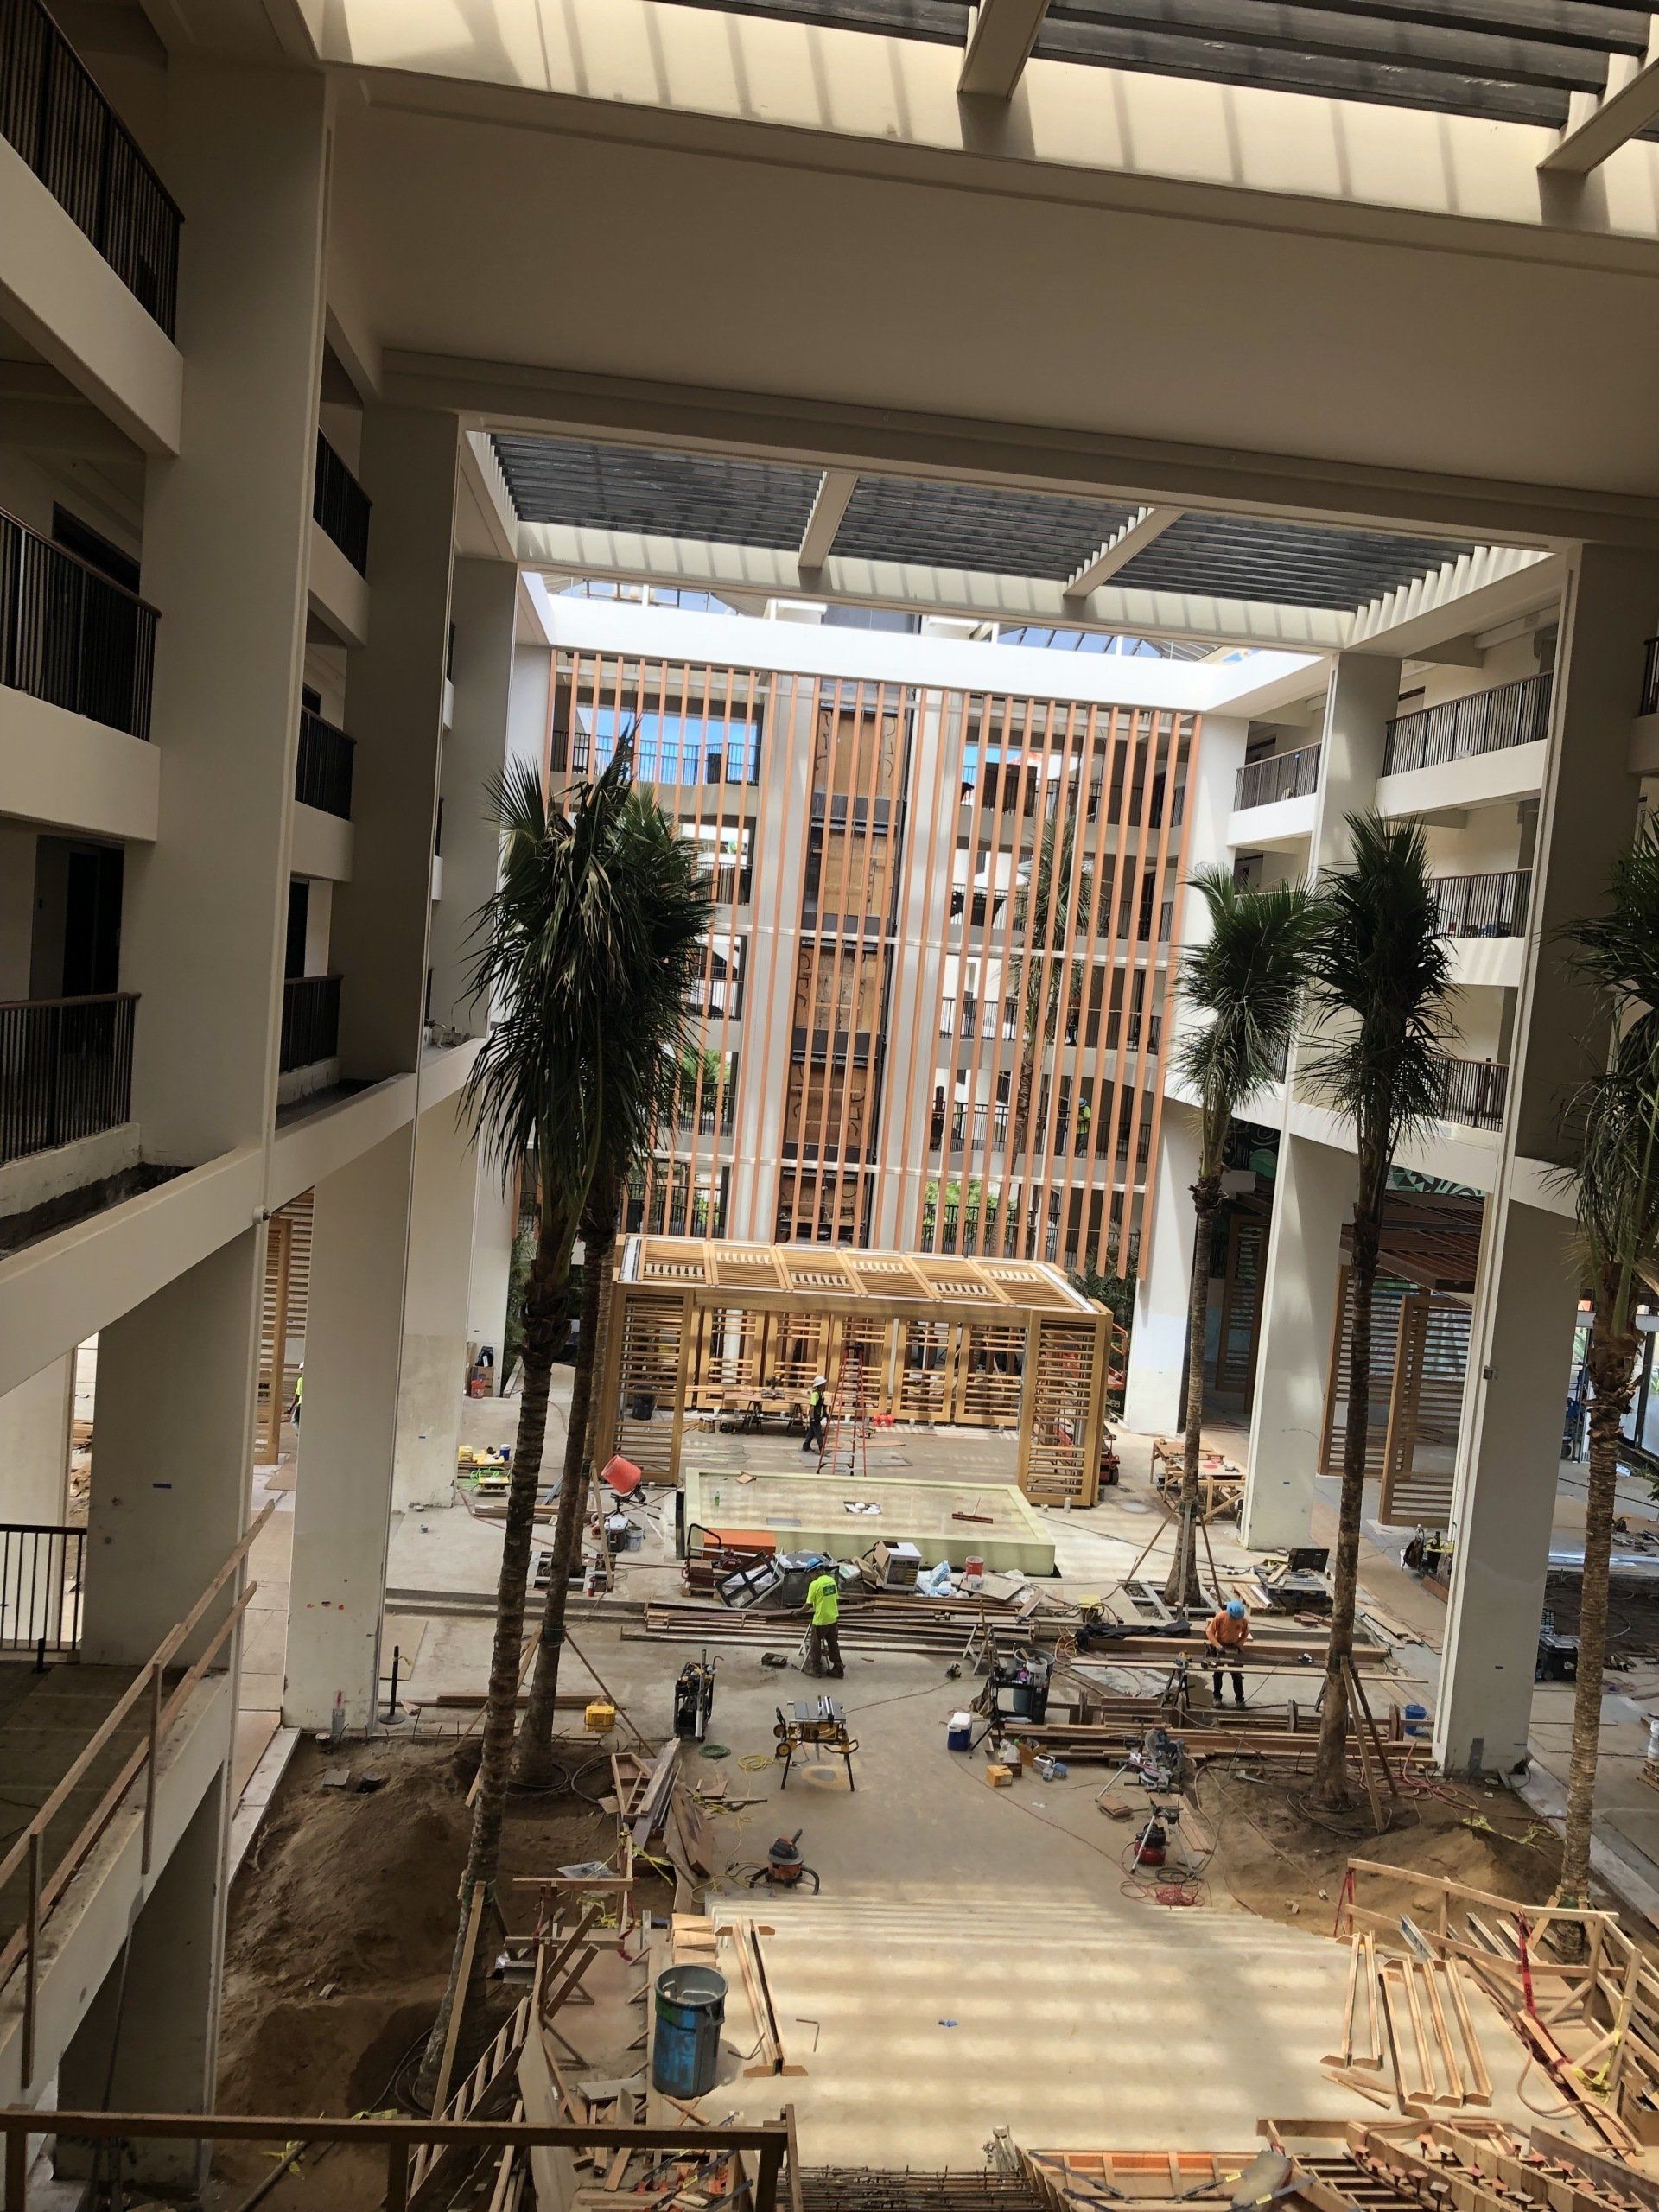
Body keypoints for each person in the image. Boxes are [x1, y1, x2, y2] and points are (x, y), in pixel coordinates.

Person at [1204, 1597, 1249, 1707]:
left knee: (1236, 1674)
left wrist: (1239, 1644)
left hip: (1233, 1647)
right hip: (1220, 1645)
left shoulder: (1242, 1620)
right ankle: (1217, 1697)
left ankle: (1240, 1700)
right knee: (1218, 1673)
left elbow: (1246, 1632)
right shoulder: (1221, 1617)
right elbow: (1209, 1632)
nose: (1235, 1621)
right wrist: (1218, 1646)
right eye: (1234, 1618)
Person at [804, 1562, 844, 1677]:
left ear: (815, 1571)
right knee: (833, 1644)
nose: (810, 1576)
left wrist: (798, 1612)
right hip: (833, 1619)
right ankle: (838, 1668)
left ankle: (816, 1668)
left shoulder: (814, 1584)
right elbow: (836, 1599)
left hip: (821, 1621)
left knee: (815, 1645)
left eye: (810, 1573)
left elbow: (808, 1605)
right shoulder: (831, 1581)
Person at [801, 1374, 829, 1453]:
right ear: (819, 1385)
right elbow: (812, 1407)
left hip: (818, 1416)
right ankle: (821, 1449)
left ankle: (806, 1446)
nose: (824, 1385)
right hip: (815, 1417)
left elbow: (821, 1405)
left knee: (811, 1432)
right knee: (818, 1433)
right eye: (823, 1384)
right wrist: (812, 1418)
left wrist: (825, 1414)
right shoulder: (815, 1394)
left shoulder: (821, 1393)